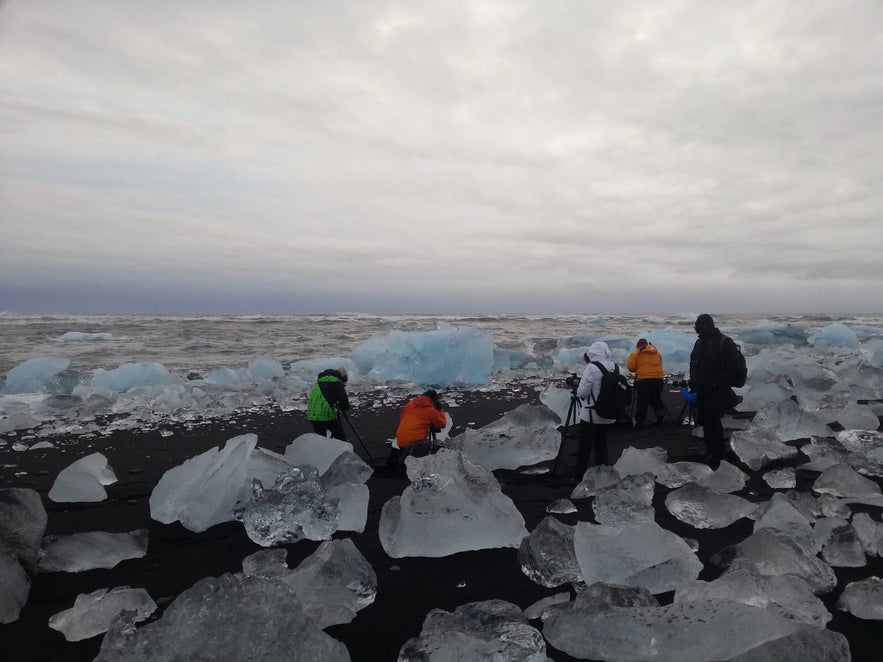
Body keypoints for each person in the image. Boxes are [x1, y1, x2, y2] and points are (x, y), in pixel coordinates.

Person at [689, 314, 741, 467]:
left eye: (700, 328)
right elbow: (694, 362)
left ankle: (717, 454)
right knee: (704, 420)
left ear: (709, 326)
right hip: (702, 388)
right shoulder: (699, 343)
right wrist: (694, 380)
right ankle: (709, 450)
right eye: (696, 328)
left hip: (719, 390)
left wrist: (716, 381)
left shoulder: (725, 343)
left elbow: (734, 367)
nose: (698, 331)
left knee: (712, 420)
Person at [573, 341, 618, 482]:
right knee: (601, 444)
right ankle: (602, 475)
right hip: (610, 413)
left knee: (585, 446)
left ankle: (578, 477)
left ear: (592, 353)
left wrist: (576, 388)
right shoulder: (617, 367)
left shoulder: (591, 368)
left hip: (590, 415)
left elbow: (582, 393)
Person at [386, 390, 447, 471]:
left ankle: (403, 457)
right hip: (415, 445)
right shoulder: (431, 410)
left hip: (400, 441)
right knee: (430, 444)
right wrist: (440, 410)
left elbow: (402, 419)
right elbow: (442, 424)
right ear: (434, 400)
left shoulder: (410, 404)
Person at [626, 338, 666, 426]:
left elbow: (630, 367)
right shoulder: (657, 353)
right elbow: (659, 362)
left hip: (644, 380)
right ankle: (660, 415)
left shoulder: (636, 353)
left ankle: (640, 420)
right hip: (658, 379)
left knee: (642, 401)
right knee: (655, 398)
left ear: (638, 346)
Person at [306, 368, 349, 441]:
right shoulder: (336, 382)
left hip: (312, 414)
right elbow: (343, 400)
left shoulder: (319, 382)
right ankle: (343, 451)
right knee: (340, 437)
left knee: (321, 439)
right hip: (327, 413)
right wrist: (344, 407)